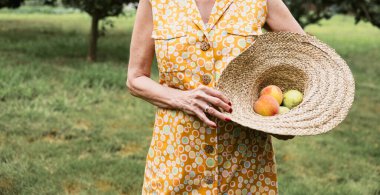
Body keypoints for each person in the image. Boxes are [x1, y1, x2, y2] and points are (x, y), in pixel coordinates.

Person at [127, 0, 305, 193]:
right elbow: (135, 78)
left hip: (244, 166)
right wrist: (181, 98)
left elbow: (308, 59)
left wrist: (284, 118)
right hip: (175, 163)